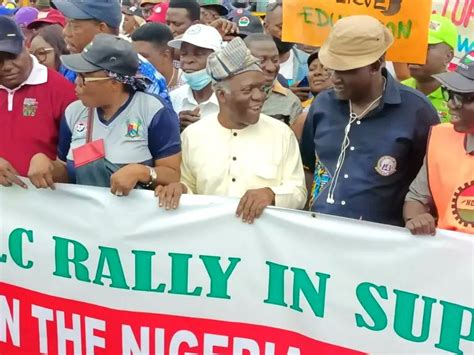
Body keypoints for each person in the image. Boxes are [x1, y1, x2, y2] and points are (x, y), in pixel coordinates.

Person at [300, 15, 440, 227]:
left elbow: (430, 183)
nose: (335, 77)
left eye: (346, 70)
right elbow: (308, 168)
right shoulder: (321, 105)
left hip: (380, 248)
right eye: (333, 68)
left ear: (375, 65)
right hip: (316, 237)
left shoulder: (417, 111)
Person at [156, 37, 306, 223]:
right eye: (248, 90)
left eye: (262, 88)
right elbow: (189, 186)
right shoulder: (193, 135)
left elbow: (298, 191)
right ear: (221, 95)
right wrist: (179, 189)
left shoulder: (281, 133)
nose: (259, 96)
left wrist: (271, 194)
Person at [27, 34, 181, 195]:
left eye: (84, 77)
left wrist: (142, 172)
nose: (76, 82)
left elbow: (172, 174)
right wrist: (47, 164)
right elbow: (66, 170)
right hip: (85, 216)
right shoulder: (74, 112)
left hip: (135, 217)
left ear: (114, 82)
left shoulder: (153, 110)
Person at [404, 52, 474, 236]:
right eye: (449, 93)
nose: (451, 104)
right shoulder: (442, 138)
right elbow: (416, 199)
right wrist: (416, 218)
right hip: (447, 258)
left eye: (462, 97)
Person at [0, 16, 75, 186]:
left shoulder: (62, 90)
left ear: (25, 46)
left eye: (12, 56)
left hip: (45, 202)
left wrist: (52, 166)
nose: (6, 66)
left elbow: (79, 164)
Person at [53, 0, 171, 104]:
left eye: (75, 26)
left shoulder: (141, 74)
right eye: (66, 23)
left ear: (101, 29)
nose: (65, 32)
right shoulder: (68, 65)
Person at [402, 15, 458, 123]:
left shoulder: (462, 100)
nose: (415, 53)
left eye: (425, 47)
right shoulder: (396, 92)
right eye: (412, 45)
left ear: (448, 56)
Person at [168, 24, 222, 130]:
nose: (188, 60)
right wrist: (175, 129)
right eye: (183, 54)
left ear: (217, 58)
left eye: (199, 54)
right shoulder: (173, 98)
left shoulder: (229, 101)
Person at [244, 33, 303, 126]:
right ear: (243, 61)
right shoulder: (227, 95)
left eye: (275, 60)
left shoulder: (290, 102)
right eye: (261, 61)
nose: (271, 68)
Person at [263, 1, 309, 101]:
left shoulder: (309, 64)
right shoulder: (248, 63)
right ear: (266, 27)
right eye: (281, 27)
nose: (287, 34)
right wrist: (286, 96)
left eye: (292, 27)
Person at [293, 50, 332, 142]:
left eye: (325, 68)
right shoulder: (300, 111)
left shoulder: (351, 108)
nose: (317, 72)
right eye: (311, 69)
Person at [132, 22, 183, 91]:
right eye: (134, 56)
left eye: (143, 57)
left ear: (165, 55)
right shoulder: (134, 84)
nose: (137, 62)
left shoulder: (189, 86)